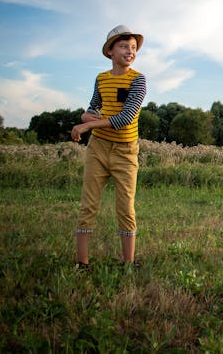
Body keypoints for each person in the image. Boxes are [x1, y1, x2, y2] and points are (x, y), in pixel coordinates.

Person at [71, 25, 147, 269]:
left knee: (125, 207)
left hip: (126, 151)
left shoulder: (138, 80)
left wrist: (87, 125)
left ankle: (129, 263)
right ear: (110, 51)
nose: (130, 51)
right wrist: (87, 119)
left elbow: (125, 118)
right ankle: (82, 263)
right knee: (88, 204)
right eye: (124, 46)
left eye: (133, 47)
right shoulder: (101, 79)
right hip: (99, 148)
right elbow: (91, 108)